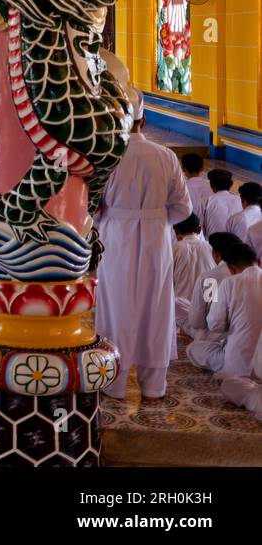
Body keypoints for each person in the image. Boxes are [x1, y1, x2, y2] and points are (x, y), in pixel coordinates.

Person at [94, 99, 192, 400]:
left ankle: (115, 383)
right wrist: (157, 221)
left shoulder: (108, 157)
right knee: (156, 306)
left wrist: (114, 219)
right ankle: (154, 386)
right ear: (144, 120)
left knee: (116, 307)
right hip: (155, 239)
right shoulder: (165, 156)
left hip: (115, 239)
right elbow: (183, 207)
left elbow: (94, 208)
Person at [188, 242, 262, 377]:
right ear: (259, 262)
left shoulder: (230, 282)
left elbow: (214, 325)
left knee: (193, 349)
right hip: (258, 362)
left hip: (237, 362)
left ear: (231, 269)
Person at [185, 232, 242, 340]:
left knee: (178, 304)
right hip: (243, 337)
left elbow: (197, 322)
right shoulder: (250, 276)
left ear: (215, 253)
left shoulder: (210, 278)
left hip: (214, 339)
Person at [172, 215, 215, 331]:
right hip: (206, 314)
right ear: (199, 230)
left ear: (175, 230)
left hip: (179, 313)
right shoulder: (210, 248)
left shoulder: (175, 248)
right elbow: (213, 281)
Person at [203, 169, 242, 237]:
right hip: (236, 244)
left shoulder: (207, 201)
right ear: (231, 184)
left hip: (213, 244)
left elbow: (201, 225)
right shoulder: (240, 200)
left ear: (212, 186)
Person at [182, 152, 212, 221]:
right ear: (202, 168)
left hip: (188, 228)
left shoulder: (182, 189)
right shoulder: (211, 187)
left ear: (183, 169)